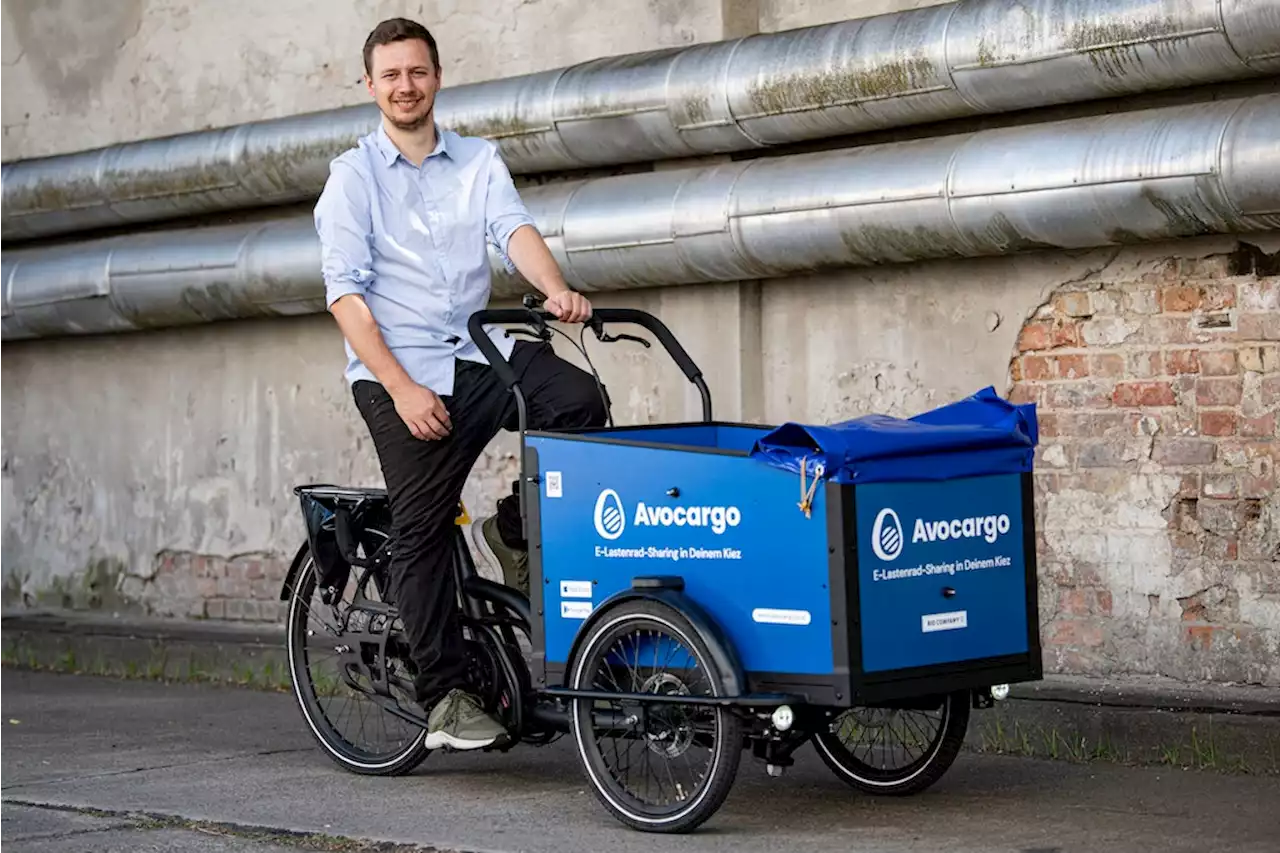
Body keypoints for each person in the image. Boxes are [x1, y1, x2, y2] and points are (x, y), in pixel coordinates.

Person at [313, 17, 609, 752]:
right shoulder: (352, 179)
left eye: (417, 72)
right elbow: (346, 298)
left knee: (579, 403)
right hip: (400, 369)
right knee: (423, 527)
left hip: (481, 350)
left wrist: (555, 287)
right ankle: (444, 695)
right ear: (371, 86)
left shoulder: (478, 160)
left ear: (437, 77)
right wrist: (404, 389)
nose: (405, 86)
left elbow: (512, 228)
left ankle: (515, 528)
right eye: (391, 76)